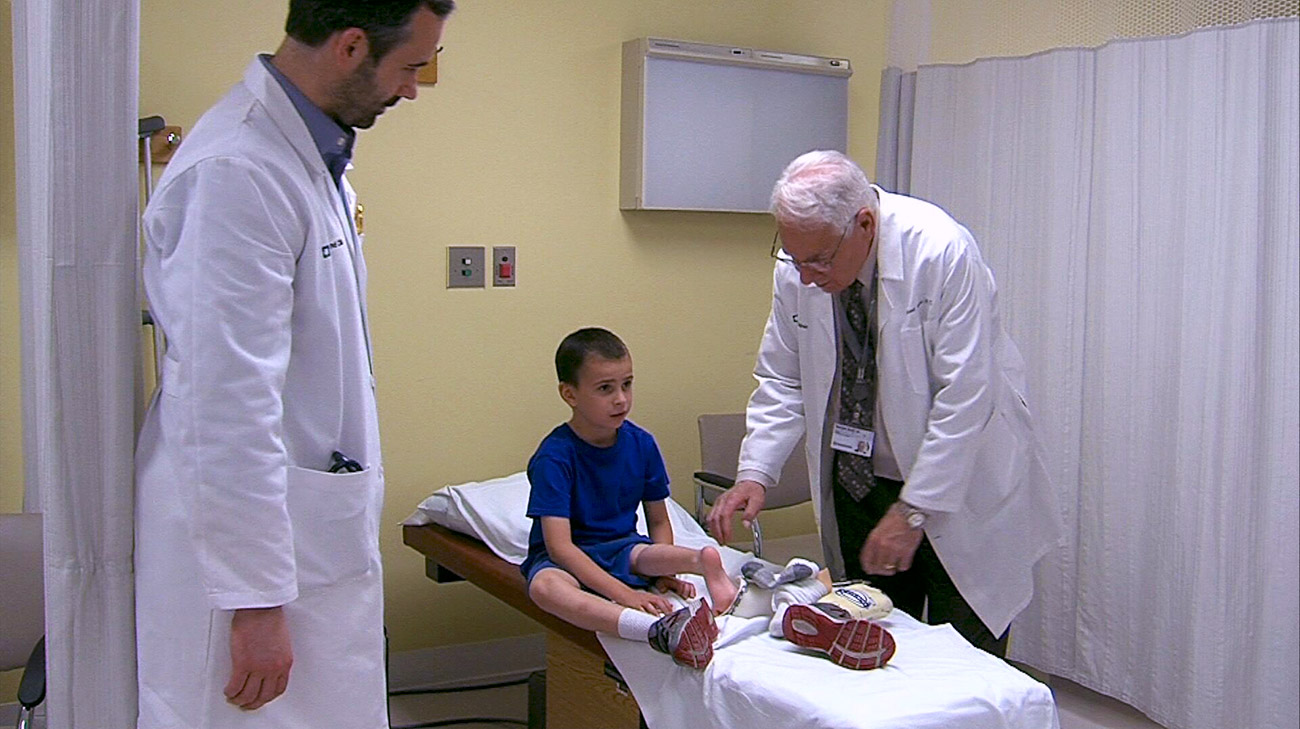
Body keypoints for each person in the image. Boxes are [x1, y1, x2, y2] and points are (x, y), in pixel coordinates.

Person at [134, 2, 454, 726]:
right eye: (410, 67)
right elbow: (225, 401)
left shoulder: (311, 160)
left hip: (302, 540)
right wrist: (254, 603)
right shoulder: (236, 173)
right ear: (349, 46)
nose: (410, 89)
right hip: (247, 575)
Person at [706, 150, 1062, 656]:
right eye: (792, 257)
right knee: (867, 646)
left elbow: (966, 397)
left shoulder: (940, 252)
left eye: (819, 260)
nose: (805, 276)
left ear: (865, 224)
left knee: (961, 657)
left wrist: (912, 512)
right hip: (860, 482)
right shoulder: (801, 264)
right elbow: (783, 377)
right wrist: (755, 472)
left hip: (954, 488)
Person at [522, 328, 738, 669]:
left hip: (624, 548)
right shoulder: (555, 457)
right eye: (605, 389)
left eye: (627, 384)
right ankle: (654, 628)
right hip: (568, 560)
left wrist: (661, 578)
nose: (621, 399)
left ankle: (701, 561)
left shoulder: (642, 443)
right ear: (570, 394)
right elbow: (560, 547)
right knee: (546, 587)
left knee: (648, 555)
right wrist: (624, 595)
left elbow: (658, 520)